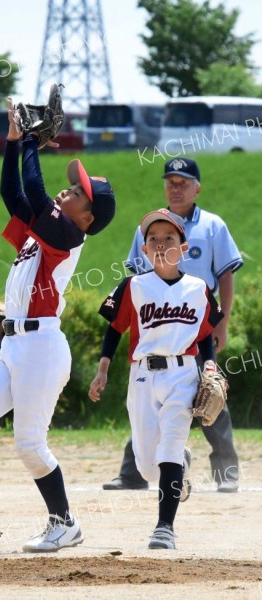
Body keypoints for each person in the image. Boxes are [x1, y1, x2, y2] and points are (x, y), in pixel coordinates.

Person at [0, 97, 116, 552]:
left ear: (87, 217)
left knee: (29, 445)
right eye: (72, 188)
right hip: (14, 346)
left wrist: (35, 142)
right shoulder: (42, 232)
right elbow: (13, 196)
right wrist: (14, 140)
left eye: (77, 193)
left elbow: (36, 194)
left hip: (42, 348)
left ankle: (65, 523)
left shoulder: (69, 236)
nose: (67, 191)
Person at [103, 157, 243, 494]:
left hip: (194, 323)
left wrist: (221, 323)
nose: (175, 187)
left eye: (183, 182)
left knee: (208, 392)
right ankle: (135, 472)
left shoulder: (212, 226)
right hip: (156, 326)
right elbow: (136, 281)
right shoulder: (149, 228)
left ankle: (226, 470)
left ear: (198, 188)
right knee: (145, 399)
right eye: (170, 181)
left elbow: (224, 275)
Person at [89, 208, 224, 549]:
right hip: (142, 376)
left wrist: (209, 366)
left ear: (185, 246)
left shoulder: (199, 288)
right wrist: (103, 369)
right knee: (148, 466)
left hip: (183, 374)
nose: (161, 244)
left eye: (169, 238)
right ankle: (180, 465)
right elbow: (114, 329)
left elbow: (205, 332)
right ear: (144, 249)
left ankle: (165, 527)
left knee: (171, 445)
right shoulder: (133, 286)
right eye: (153, 239)